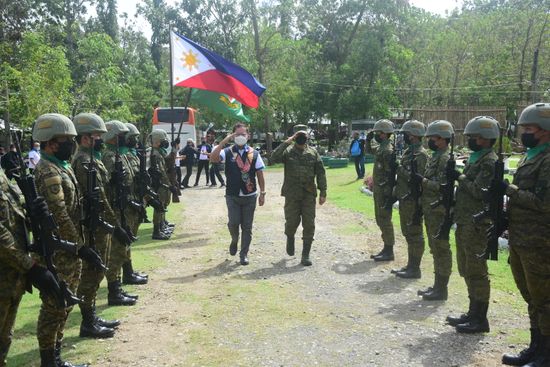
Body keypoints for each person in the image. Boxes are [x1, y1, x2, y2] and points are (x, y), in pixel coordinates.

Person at [33, 113, 103, 367]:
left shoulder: (59, 167)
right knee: (54, 307)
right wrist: (80, 247)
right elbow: (60, 215)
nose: (71, 145)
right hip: (60, 251)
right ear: (52, 143)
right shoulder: (48, 171)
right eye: (67, 140)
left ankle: (57, 358)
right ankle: (49, 360)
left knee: (64, 304)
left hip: (70, 249)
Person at [501, 103, 550, 367]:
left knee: (544, 297)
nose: (525, 133)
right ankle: (535, 347)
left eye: (529, 129)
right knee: (530, 295)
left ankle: (546, 354)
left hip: (540, 242)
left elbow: (544, 203)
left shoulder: (548, 159)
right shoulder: (531, 155)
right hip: (521, 239)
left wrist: (511, 191)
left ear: (545, 131)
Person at [0, 165, 64, 366]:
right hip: (10, 270)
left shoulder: (2, 173)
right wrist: (31, 267)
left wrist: (33, 211)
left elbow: (13, 215)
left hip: (11, 279)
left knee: (4, 339)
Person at [445, 116, 499, 333]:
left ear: (485, 139)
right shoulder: (476, 158)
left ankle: (480, 318)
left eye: (474, 137)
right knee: (466, 267)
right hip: (465, 220)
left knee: (477, 270)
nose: (470, 141)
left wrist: (460, 177)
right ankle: (472, 312)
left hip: (477, 223)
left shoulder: (489, 161)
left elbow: (480, 191)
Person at [72, 113, 122, 338]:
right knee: (91, 274)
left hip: (100, 224)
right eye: (97, 136)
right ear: (84, 139)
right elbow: (99, 197)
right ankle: (87, 322)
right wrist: (115, 224)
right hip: (93, 226)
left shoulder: (92, 158)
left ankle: (91, 316)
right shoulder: (83, 161)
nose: (101, 140)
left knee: (97, 271)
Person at [270, 124, 327, 266]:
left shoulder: (313, 153)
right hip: (292, 194)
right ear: (294, 137)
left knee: (309, 223)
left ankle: (305, 254)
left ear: (308, 136)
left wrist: (323, 191)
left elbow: (320, 172)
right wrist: (286, 142)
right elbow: (273, 158)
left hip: (308, 194)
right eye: (298, 135)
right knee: (291, 222)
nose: (301, 138)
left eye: (303, 135)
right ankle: (290, 237)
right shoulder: (288, 152)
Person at [210, 123, 266, 265]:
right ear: (233, 135)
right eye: (237, 134)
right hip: (233, 195)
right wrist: (224, 141)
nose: (241, 137)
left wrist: (263, 193)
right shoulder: (227, 152)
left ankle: (244, 254)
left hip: (250, 195)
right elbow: (213, 158)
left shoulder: (254, 154)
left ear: (248, 136)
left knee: (247, 227)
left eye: (243, 134)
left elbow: (260, 174)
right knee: (233, 223)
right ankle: (234, 240)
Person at [101, 120, 139, 306]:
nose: (124, 139)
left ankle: (119, 285)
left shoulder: (116, 154)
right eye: (120, 135)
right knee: (116, 251)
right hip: (115, 208)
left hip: (123, 205)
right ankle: (114, 291)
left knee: (123, 246)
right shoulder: (108, 156)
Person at [417, 120, 455, 301]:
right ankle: (437, 286)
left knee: (441, 248)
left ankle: (441, 288)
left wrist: (423, 182)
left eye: (432, 138)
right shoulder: (436, 156)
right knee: (435, 248)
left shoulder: (445, 159)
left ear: (441, 139)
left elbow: (442, 186)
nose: (430, 141)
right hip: (431, 209)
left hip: (438, 210)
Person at [392, 120, 428, 279]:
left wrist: (400, 169)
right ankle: (410, 265)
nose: (404, 137)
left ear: (413, 136)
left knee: (415, 233)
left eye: (406, 134)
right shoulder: (409, 152)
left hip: (413, 200)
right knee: (407, 232)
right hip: (404, 199)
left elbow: (418, 179)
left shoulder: (420, 154)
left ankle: (415, 268)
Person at [122, 122, 149, 285]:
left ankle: (128, 271)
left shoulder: (129, 154)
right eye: (133, 138)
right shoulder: (116, 156)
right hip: (126, 205)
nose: (136, 141)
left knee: (128, 240)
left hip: (134, 202)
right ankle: (123, 277)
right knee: (122, 243)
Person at [365, 119, 396, 262]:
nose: (376, 134)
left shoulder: (388, 150)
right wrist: (368, 140)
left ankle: (389, 250)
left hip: (384, 191)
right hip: (379, 190)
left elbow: (390, 174)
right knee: (380, 219)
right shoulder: (382, 148)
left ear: (384, 134)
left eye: (378, 132)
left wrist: (387, 191)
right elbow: (369, 150)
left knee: (385, 220)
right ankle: (386, 248)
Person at [149, 129, 174, 240]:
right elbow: (162, 172)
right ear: (157, 141)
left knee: (163, 205)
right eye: (163, 141)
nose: (165, 143)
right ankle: (157, 231)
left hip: (163, 185)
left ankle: (161, 226)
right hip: (160, 185)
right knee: (159, 207)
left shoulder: (159, 152)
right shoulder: (155, 154)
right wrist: (169, 184)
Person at [166, 139, 181, 203]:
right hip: (170, 171)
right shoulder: (173, 152)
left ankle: (176, 193)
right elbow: (172, 155)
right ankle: (176, 193)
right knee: (174, 183)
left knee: (175, 183)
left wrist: (175, 146)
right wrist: (174, 146)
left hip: (172, 170)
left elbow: (173, 153)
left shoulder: (174, 151)